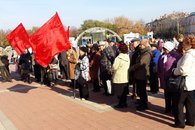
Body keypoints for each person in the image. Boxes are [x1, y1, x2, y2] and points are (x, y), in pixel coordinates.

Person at [172, 35, 195, 128]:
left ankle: (180, 123)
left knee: (179, 103)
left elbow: (183, 70)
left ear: (189, 44)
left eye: (184, 43)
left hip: (184, 83)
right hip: (191, 83)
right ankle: (191, 120)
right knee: (190, 103)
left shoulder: (189, 55)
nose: (183, 45)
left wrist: (174, 71)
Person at [158, 41, 181, 114]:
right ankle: (168, 108)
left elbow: (178, 67)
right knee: (167, 95)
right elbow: (159, 66)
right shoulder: (162, 56)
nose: (163, 50)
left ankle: (174, 109)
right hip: (164, 78)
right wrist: (159, 75)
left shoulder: (176, 56)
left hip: (172, 79)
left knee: (174, 96)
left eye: (165, 49)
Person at [130, 39, 151, 111]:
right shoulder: (143, 52)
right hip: (139, 73)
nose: (140, 46)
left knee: (142, 90)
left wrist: (133, 67)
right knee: (139, 90)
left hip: (142, 74)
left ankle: (144, 104)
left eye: (141, 45)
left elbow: (141, 63)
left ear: (145, 45)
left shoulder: (147, 53)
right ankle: (142, 102)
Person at [112, 43, 130, 108]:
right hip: (125, 76)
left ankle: (120, 104)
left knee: (119, 92)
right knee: (124, 92)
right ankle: (124, 103)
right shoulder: (127, 56)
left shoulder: (118, 58)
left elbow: (114, 67)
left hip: (119, 77)